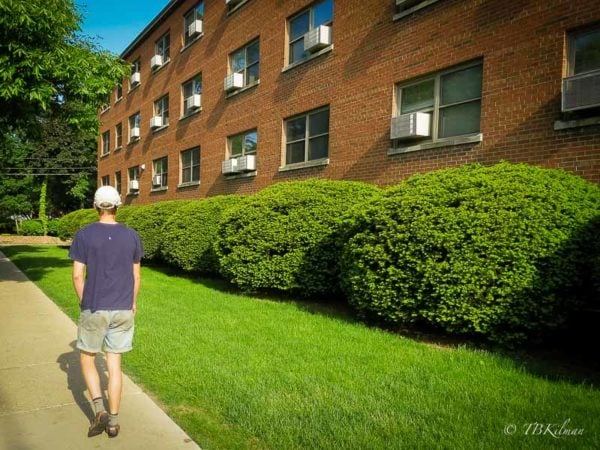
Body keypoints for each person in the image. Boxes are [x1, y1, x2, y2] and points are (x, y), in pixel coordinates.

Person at [69, 185, 143, 438]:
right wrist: (132, 302)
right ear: (118, 206)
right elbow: (136, 275)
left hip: (95, 306)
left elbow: (78, 275)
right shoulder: (132, 235)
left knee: (87, 358)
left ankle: (99, 409)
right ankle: (113, 423)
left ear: (96, 207)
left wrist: (84, 301)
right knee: (115, 365)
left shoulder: (84, 235)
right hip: (123, 308)